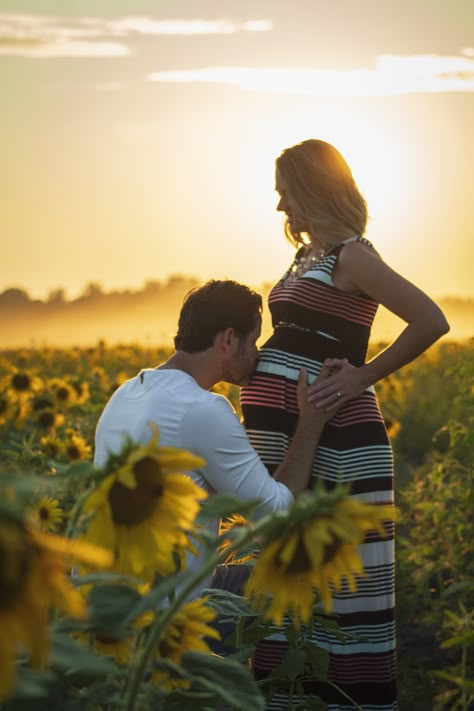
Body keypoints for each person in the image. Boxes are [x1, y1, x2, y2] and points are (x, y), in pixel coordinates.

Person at [240, 139, 449, 711]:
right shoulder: (305, 257)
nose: (280, 206)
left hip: (339, 439)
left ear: (311, 189)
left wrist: (362, 377)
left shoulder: (353, 256)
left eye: (286, 193)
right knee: (286, 568)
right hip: (300, 435)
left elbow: (431, 319)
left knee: (338, 578)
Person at [94, 279, 332, 595]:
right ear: (229, 340)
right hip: (160, 615)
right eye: (254, 342)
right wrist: (310, 423)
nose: (257, 354)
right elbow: (275, 517)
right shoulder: (203, 408)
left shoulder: (128, 391)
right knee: (302, 582)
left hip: (102, 596)